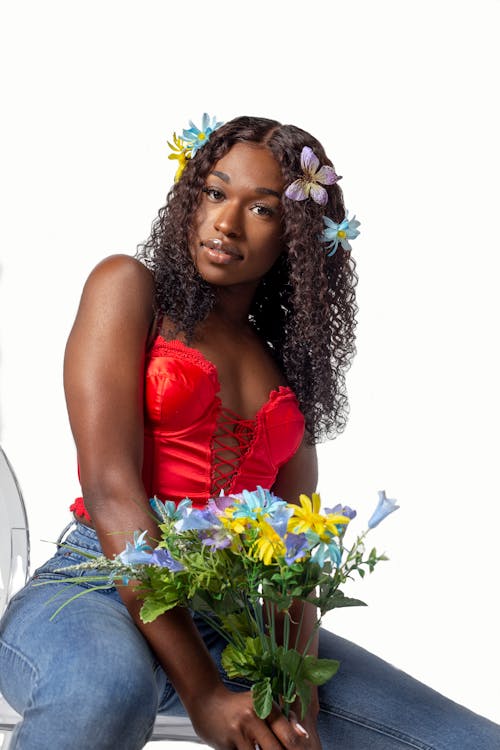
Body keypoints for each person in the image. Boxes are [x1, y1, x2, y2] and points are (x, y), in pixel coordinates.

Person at [0, 115, 499, 750]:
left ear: (295, 236)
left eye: (260, 209)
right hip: (93, 587)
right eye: (214, 193)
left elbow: (293, 553)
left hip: (229, 618)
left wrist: (300, 700)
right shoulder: (129, 289)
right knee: (107, 692)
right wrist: (205, 694)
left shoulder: (288, 371)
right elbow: (109, 487)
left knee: (466, 740)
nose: (225, 223)